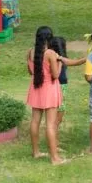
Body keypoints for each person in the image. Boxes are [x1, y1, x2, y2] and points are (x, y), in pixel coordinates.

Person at [26, 26, 65, 165]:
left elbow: (31, 72)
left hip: (36, 89)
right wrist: (60, 63)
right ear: (50, 38)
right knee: (50, 124)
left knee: (35, 121)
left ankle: (36, 152)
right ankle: (54, 158)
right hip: (49, 90)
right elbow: (55, 75)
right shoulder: (50, 53)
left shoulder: (31, 52)